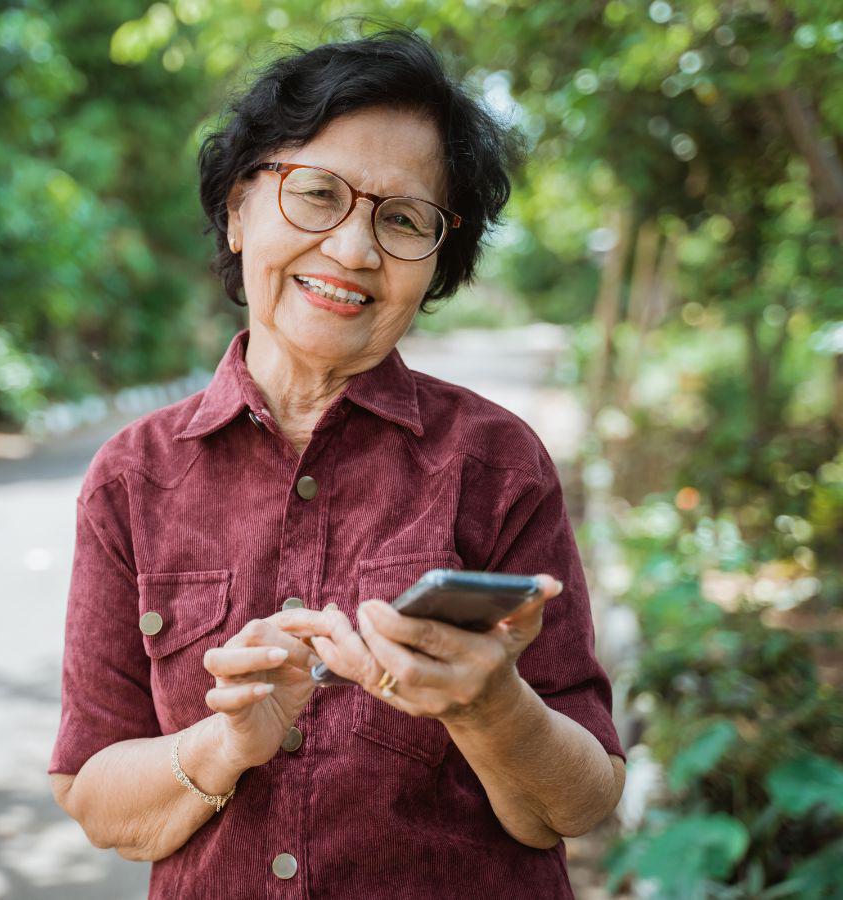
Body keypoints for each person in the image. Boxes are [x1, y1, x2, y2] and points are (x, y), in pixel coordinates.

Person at [49, 27, 625, 899]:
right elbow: (93, 795)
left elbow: (579, 803)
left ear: (436, 264)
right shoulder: (134, 477)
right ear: (239, 211)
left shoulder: (498, 462)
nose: (354, 251)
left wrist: (489, 707)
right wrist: (226, 742)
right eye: (317, 194)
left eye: (401, 220)